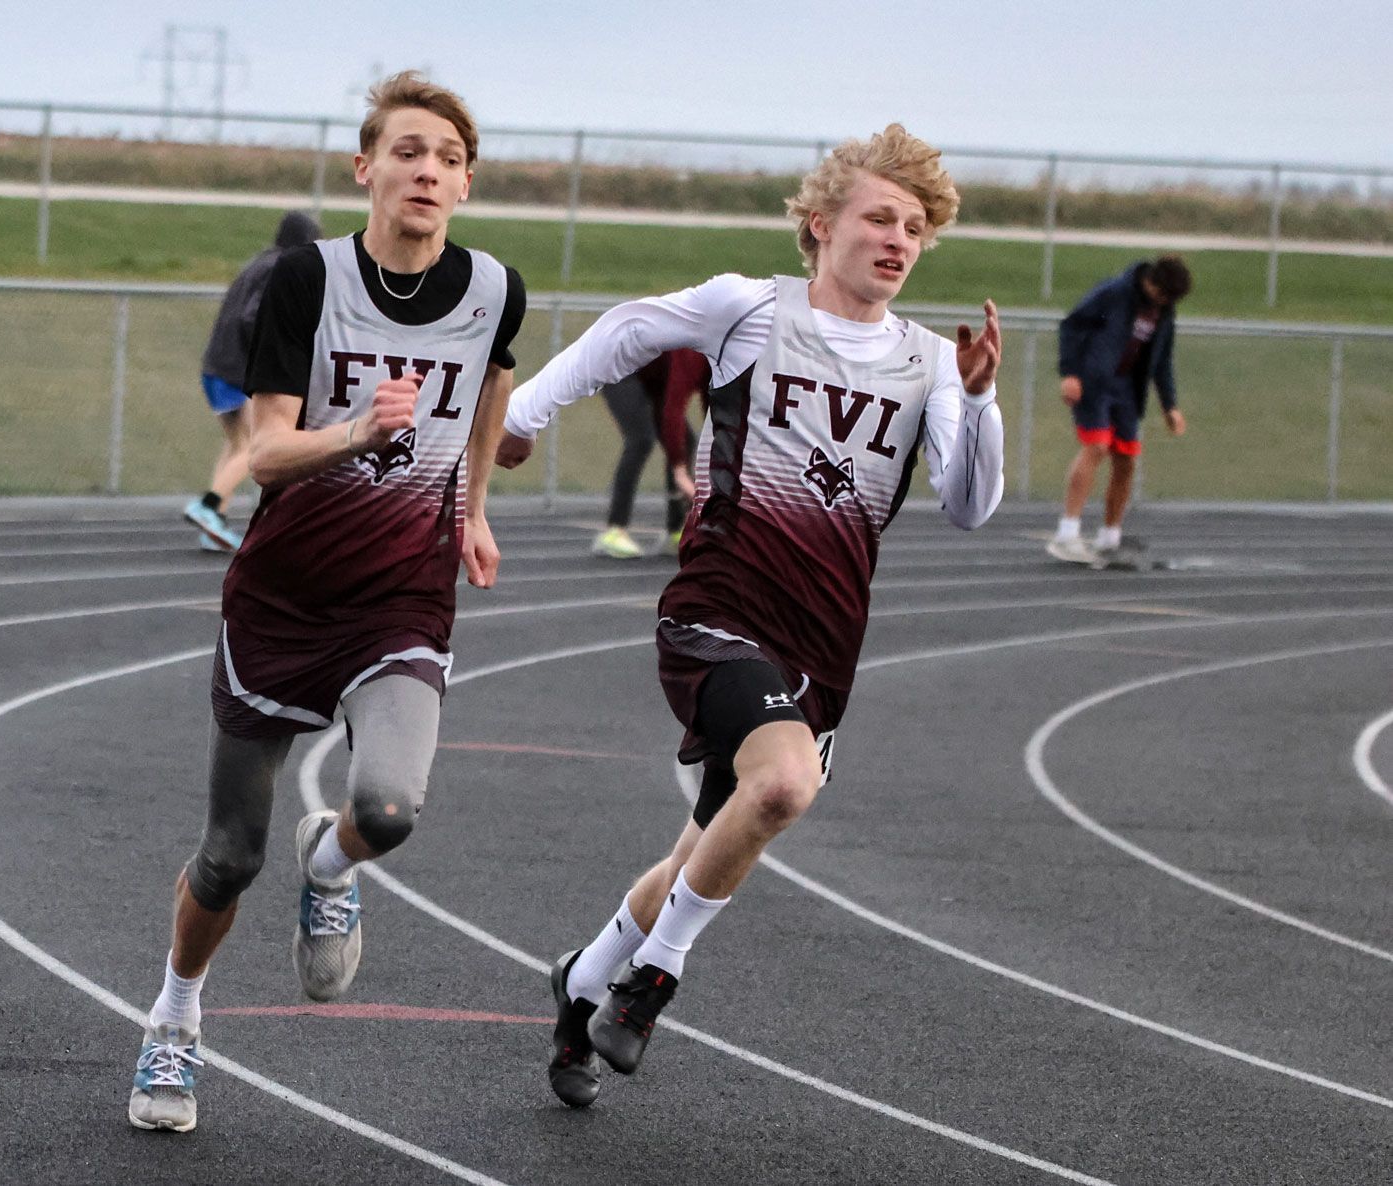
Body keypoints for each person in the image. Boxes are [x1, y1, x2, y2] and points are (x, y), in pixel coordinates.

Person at [495, 123, 1004, 1107]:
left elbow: (970, 506)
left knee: (703, 849)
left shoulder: (933, 364)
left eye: (915, 227)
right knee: (782, 784)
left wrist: (979, 402)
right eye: (879, 218)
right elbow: (629, 330)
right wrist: (522, 418)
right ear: (821, 225)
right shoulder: (750, 309)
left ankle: (584, 981)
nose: (899, 240)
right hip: (719, 611)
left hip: (824, 646)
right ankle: (652, 982)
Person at [128, 70, 526, 1133]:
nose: (427, 171)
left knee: (388, 809)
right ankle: (175, 1020)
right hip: (284, 597)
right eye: (408, 151)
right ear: (366, 168)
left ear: (467, 183)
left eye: (448, 158)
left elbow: (492, 384)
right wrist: (358, 431)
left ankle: (333, 861)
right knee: (229, 855)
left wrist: (473, 506)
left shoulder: (496, 290)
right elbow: (263, 451)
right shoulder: (308, 281)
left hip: (401, 594)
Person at [184, 211, 323, 552]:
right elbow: (252, 317)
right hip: (236, 370)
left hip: (215, 365)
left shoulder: (257, 262)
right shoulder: (279, 269)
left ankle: (213, 522)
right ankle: (209, 505)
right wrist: (274, 354)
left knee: (237, 444)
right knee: (254, 447)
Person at [1045, 255, 1191, 564]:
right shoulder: (1115, 292)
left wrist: (1170, 405)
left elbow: (1162, 360)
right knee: (1096, 447)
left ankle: (1110, 538)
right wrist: (1070, 373)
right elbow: (1072, 325)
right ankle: (1067, 534)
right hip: (1095, 383)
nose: (1165, 303)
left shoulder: (1164, 312)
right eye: (1164, 296)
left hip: (1128, 390)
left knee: (1126, 460)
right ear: (1152, 284)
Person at [592, 349, 710, 558]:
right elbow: (673, 411)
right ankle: (614, 530)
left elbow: (713, 412)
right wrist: (680, 471)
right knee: (641, 439)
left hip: (653, 378)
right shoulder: (693, 356)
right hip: (620, 371)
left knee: (686, 441)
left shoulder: (722, 365)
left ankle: (676, 530)